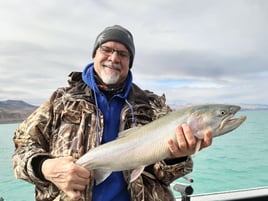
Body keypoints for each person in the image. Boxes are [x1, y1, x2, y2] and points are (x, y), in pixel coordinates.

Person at [12, 25, 212, 201]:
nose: (114, 58)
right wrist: (45, 167)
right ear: (95, 54)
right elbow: (21, 150)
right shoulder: (60, 101)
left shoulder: (153, 105)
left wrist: (176, 158)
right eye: (106, 49)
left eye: (123, 54)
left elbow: (166, 176)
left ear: (129, 62)